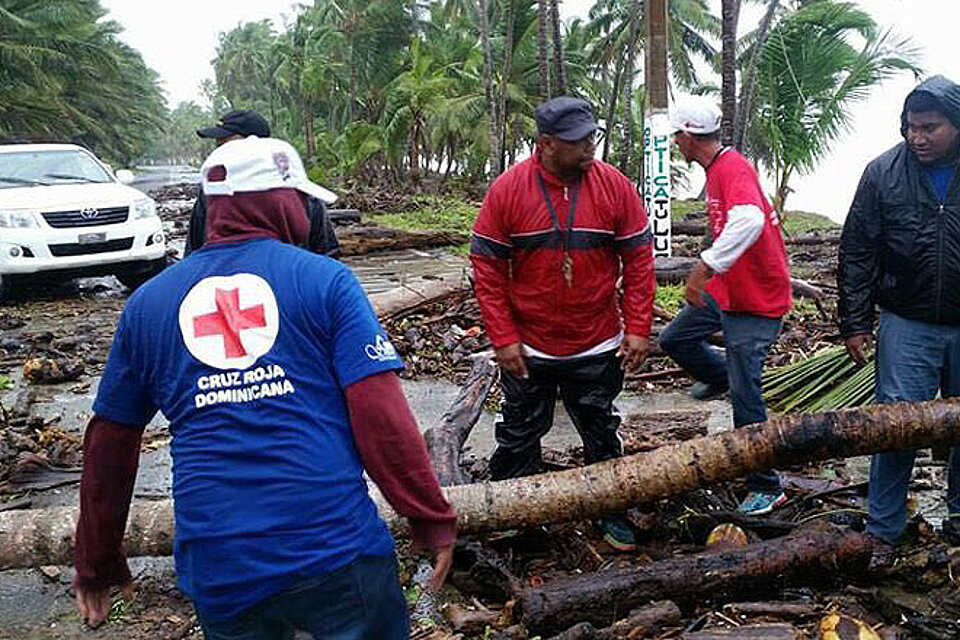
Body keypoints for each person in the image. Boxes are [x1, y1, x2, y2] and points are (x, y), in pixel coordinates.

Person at [74, 136, 456, 638]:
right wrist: (428, 516)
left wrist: (97, 557)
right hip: (334, 550)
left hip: (220, 565)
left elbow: (109, 443)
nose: (306, 211)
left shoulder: (147, 304)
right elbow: (381, 416)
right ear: (279, 203)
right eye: (301, 199)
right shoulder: (327, 282)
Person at [469, 96, 656, 552]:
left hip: (596, 343)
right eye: (578, 141)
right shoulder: (508, 190)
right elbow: (487, 270)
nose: (590, 147)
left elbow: (638, 261)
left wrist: (637, 328)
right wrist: (504, 338)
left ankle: (609, 512)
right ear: (546, 143)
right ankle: (517, 520)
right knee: (519, 433)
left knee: (599, 429)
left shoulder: (614, 186)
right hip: (530, 347)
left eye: (593, 136)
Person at [838, 75, 960, 566]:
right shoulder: (882, 173)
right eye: (911, 127)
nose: (918, 138)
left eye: (930, 128)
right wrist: (854, 321)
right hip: (906, 322)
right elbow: (858, 250)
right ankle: (884, 531)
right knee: (895, 427)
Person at [659, 97, 792, 516]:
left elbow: (749, 221)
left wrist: (704, 266)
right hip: (729, 289)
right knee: (675, 338)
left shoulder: (733, 168)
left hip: (757, 296)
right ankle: (721, 376)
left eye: (676, 137)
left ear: (686, 136)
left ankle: (766, 485)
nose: (675, 145)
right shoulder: (716, 169)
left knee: (747, 392)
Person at [185, 109, 340, 258]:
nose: (221, 152)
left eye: (227, 145)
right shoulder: (214, 193)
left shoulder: (298, 190)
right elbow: (195, 247)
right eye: (219, 146)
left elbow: (326, 250)